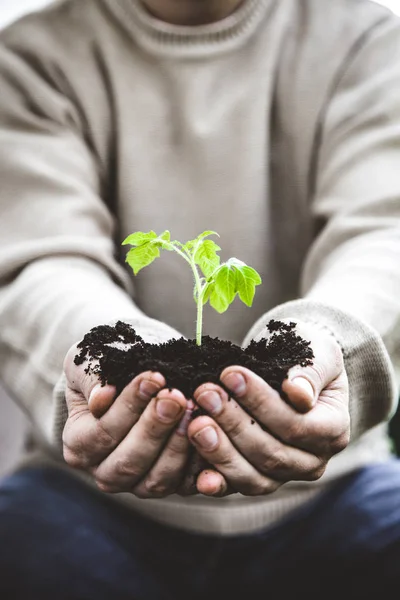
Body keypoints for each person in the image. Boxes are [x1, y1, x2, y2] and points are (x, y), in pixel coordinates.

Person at [0, 0, 399, 597]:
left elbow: (383, 237)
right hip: (84, 504)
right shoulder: (33, 58)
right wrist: (113, 359)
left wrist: (329, 341)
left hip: (339, 491)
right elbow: (40, 260)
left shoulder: (368, 39)